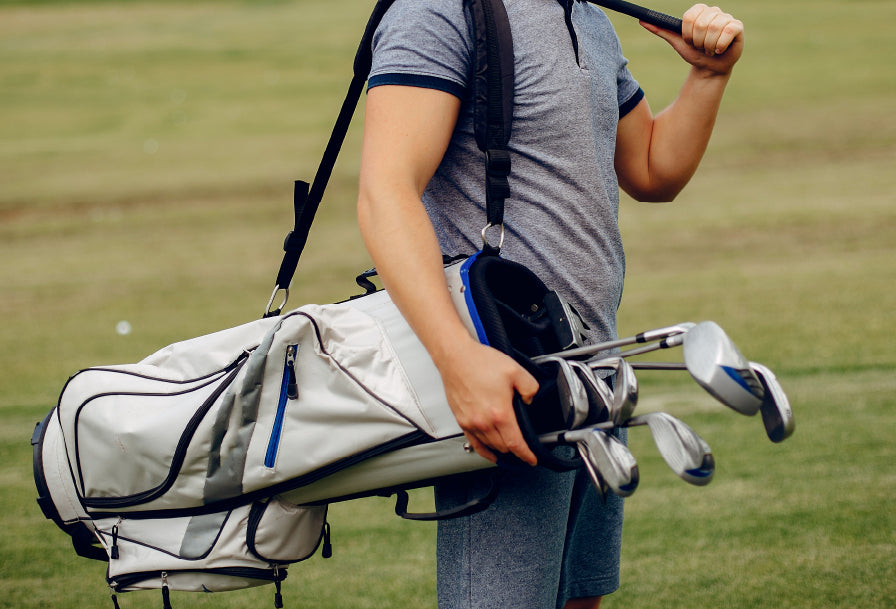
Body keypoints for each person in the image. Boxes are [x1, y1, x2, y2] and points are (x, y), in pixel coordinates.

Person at [356, 1, 744, 607]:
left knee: (578, 598)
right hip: (508, 374)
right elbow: (386, 192)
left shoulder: (589, 18)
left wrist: (708, 76)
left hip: (594, 372)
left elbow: (652, 169)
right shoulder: (438, 9)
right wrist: (459, 362)